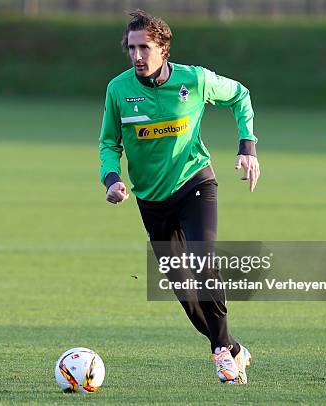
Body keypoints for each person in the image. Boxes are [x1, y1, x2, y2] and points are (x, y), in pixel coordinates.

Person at [98, 10, 260, 384]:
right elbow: (109, 143)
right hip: (151, 199)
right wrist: (111, 179)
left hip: (195, 183)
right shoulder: (119, 89)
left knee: (204, 263)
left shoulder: (195, 79)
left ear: (163, 49)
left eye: (145, 48)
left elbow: (240, 96)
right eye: (132, 47)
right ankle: (231, 345)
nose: (137, 55)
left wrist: (247, 147)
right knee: (183, 290)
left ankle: (220, 353)